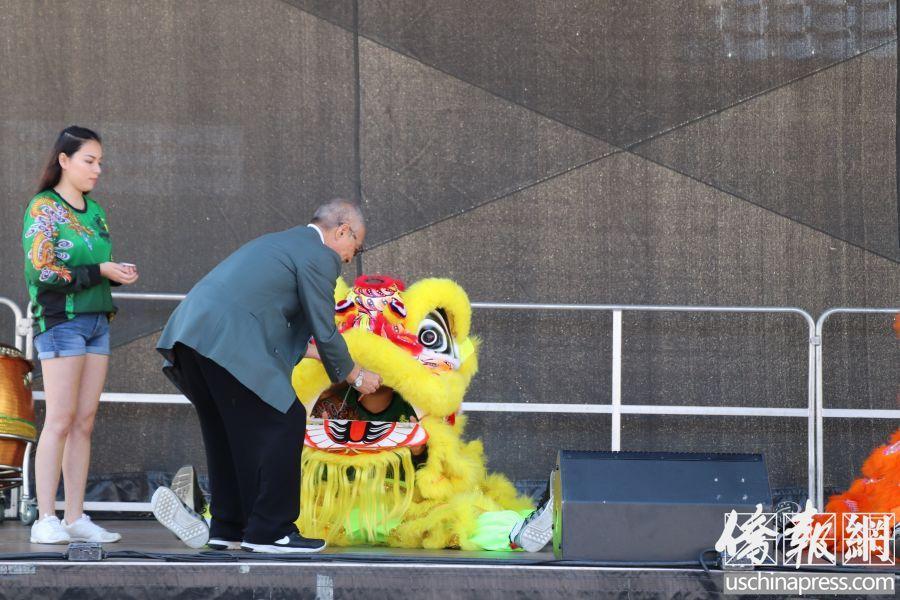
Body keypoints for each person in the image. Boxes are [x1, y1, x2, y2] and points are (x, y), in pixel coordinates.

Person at [152, 199, 382, 553]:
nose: (352, 257)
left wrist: (312, 352)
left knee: (230, 432)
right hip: (226, 340)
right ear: (342, 231)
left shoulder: (279, 243)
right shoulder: (320, 255)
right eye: (357, 245)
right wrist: (354, 374)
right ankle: (272, 530)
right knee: (285, 420)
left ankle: (229, 526)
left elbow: (259, 309)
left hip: (191, 335)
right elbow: (324, 326)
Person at [23, 126, 139, 544]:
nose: (98, 169)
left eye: (100, 161)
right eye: (89, 160)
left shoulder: (95, 211)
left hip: (96, 322)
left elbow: (93, 266)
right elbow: (42, 271)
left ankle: (75, 516)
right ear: (64, 160)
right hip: (61, 323)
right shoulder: (43, 207)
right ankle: (45, 518)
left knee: (84, 423)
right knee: (58, 419)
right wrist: (100, 272)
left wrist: (116, 274)